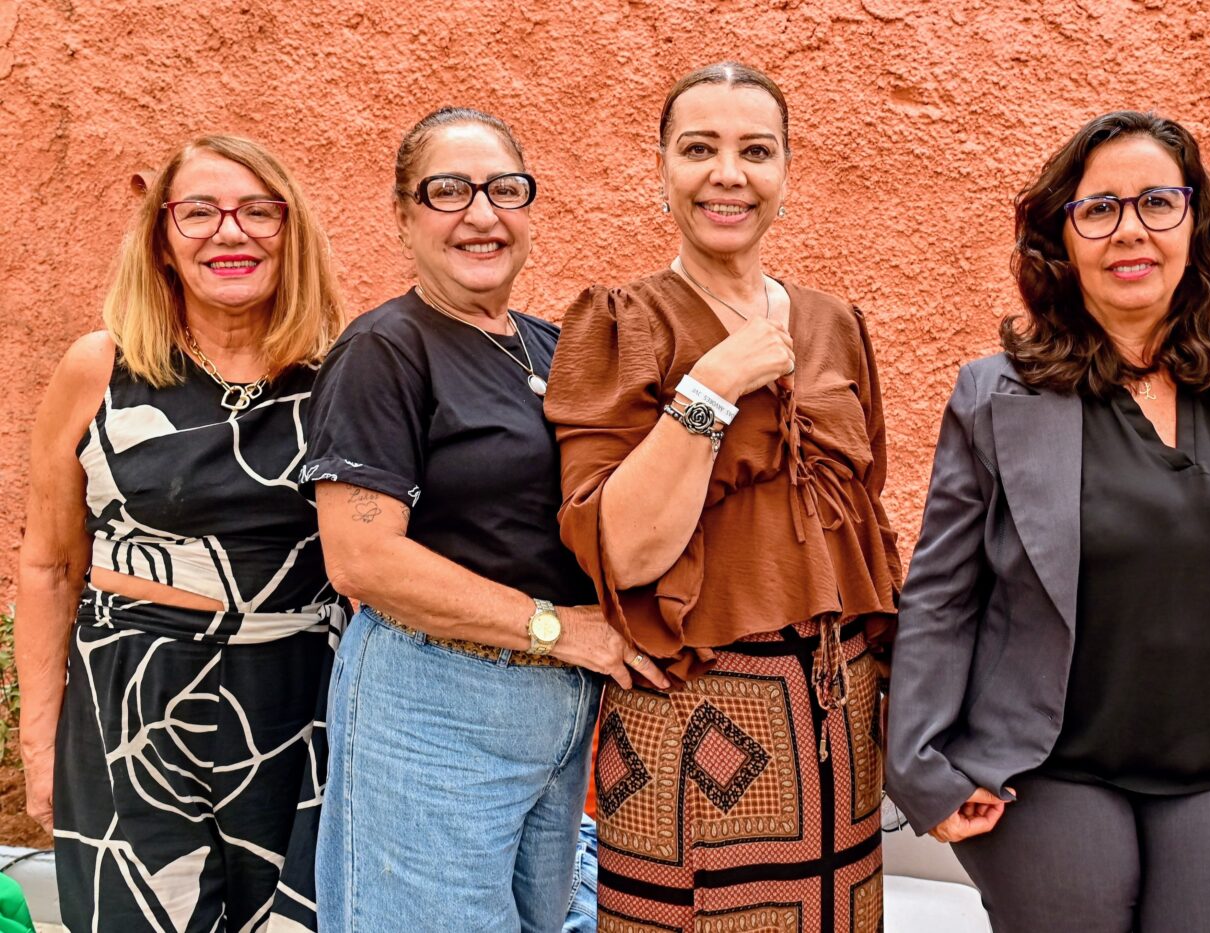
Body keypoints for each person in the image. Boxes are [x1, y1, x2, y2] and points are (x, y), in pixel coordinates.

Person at [885, 110, 1210, 933]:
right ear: (1064, 236)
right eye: (1100, 208)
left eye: (1158, 202)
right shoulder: (996, 396)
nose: (1131, 231)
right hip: (1048, 771)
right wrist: (921, 769)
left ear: (1195, 221)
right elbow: (943, 593)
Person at [545, 62, 902, 932]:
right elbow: (620, 551)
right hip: (694, 719)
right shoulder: (622, 321)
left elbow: (867, 515)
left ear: (785, 175)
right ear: (660, 172)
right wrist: (708, 391)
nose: (727, 174)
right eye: (698, 149)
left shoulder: (834, 323)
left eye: (755, 150)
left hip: (838, 716)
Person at [303, 106, 668, 933]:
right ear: (403, 216)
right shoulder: (386, 349)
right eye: (447, 190)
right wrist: (560, 632)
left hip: (556, 719)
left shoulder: (554, 349)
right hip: (433, 705)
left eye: (504, 188)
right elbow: (363, 561)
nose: (481, 212)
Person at [16, 134, 346, 931]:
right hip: (125, 699)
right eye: (198, 212)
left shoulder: (343, 373)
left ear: (290, 233)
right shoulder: (98, 368)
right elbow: (51, 565)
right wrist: (40, 743)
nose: (229, 233)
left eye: (257, 212)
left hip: (301, 704)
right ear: (163, 240)